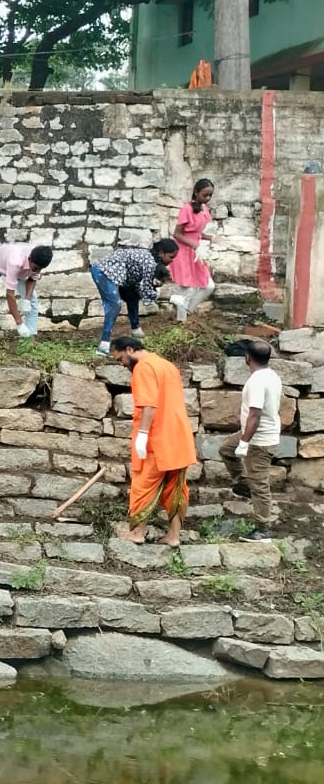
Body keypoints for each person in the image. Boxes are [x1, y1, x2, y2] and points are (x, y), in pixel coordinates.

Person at [112, 336, 198, 545]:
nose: (122, 364)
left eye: (120, 359)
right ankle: (173, 537)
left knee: (144, 485)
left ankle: (137, 533)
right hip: (179, 437)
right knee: (176, 488)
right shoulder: (167, 365)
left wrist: (142, 435)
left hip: (156, 439)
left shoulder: (143, 367)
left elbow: (149, 404)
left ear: (130, 349)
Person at [220, 339, 281, 542]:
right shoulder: (271, 375)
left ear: (247, 357)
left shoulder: (257, 381)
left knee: (261, 484)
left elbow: (255, 413)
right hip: (255, 433)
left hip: (259, 440)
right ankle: (243, 485)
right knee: (226, 449)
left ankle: (263, 529)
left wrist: (245, 442)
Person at [90, 239, 179, 356]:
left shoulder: (151, 259)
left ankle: (136, 330)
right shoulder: (150, 263)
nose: (172, 261)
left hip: (121, 275)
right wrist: (170, 298)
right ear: (161, 253)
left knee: (132, 296)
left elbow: (140, 288)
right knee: (114, 305)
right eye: (171, 257)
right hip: (104, 272)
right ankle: (104, 344)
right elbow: (146, 291)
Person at [0, 243, 54, 348]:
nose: (37, 271)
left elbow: (32, 279)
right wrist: (19, 323)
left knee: (33, 299)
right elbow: (9, 294)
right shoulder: (16, 260)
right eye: (35, 268)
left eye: (40, 269)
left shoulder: (39, 258)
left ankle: (29, 337)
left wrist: (26, 299)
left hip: (19, 270)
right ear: (29, 259)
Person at [168, 179, 217, 321]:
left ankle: (187, 312)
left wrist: (212, 238)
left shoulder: (204, 209)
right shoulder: (186, 209)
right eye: (204, 195)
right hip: (183, 251)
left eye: (210, 195)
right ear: (196, 192)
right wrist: (195, 245)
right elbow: (177, 234)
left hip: (197, 253)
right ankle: (181, 323)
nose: (207, 198)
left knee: (209, 286)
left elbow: (198, 232)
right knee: (187, 289)